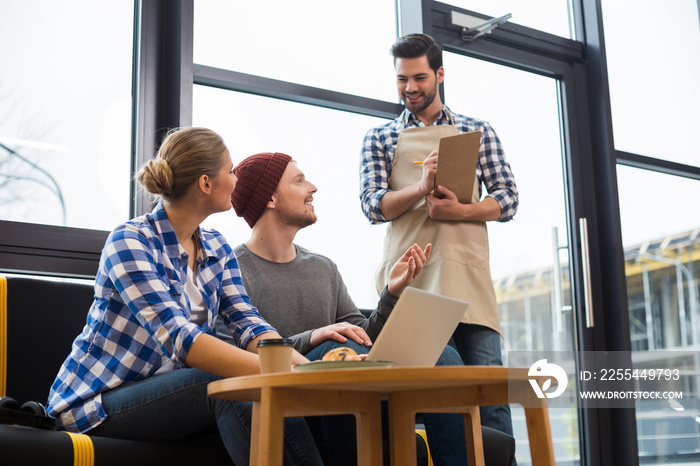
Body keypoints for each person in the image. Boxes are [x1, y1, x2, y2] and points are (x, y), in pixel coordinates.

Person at [46, 128, 323, 465]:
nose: (236, 179)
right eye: (231, 171)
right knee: (228, 381)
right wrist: (278, 375)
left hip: (167, 394)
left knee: (253, 386)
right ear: (206, 184)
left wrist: (311, 373)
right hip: (95, 404)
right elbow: (181, 339)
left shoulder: (217, 247)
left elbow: (250, 326)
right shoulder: (131, 241)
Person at [219, 151, 470, 466]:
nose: (313, 187)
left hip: (355, 384)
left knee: (442, 353)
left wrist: (392, 292)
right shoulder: (231, 270)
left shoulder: (323, 267)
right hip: (293, 392)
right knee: (340, 350)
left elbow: (363, 336)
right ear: (270, 198)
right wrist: (315, 337)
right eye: (299, 180)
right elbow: (229, 353)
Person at [359, 33, 519, 443]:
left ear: (440, 74)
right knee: (426, 396)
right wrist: (420, 188)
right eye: (401, 80)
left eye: (419, 78)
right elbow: (372, 206)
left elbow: (508, 198)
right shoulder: (379, 138)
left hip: (469, 280)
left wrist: (461, 211)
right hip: (413, 282)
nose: (410, 88)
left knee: (489, 393)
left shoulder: (476, 130)